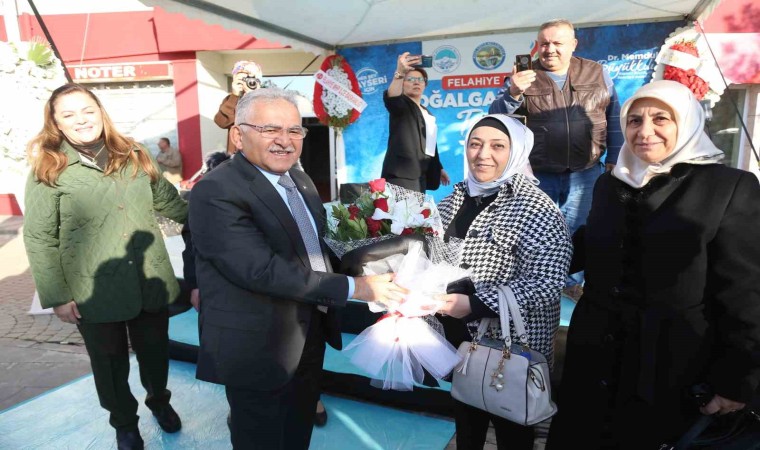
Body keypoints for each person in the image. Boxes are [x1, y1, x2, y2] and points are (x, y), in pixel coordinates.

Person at [546, 80, 760, 449]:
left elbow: (745, 293)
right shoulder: (609, 185)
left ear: (687, 122)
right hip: (594, 359)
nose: (645, 132)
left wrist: (734, 381)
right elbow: (587, 247)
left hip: (671, 367)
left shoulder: (728, 187)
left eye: (661, 119)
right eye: (635, 121)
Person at [190, 87, 407, 449]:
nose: (285, 140)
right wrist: (358, 288)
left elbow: (315, 249)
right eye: (270, 129)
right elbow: (260, 270)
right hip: (257, 347)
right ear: (238, 135)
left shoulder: (300, 181)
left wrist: (384, 253)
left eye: (294, 130)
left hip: (308, 335)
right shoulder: (216, 190)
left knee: (297, 434)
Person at [23, 83, 187, 450]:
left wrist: (220, 219)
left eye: (87, 110)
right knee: (109, 363)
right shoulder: (49, 169)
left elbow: (171, 204)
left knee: (155, 353)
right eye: (69, 115)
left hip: (149, 279)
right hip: (92, 288)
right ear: (56, 123)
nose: (81, 120)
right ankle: (124, 422)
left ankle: (159, 401)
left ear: (100, 112)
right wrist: (58, 296)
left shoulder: (135, 153)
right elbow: (39, 237)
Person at [437, 114, 572, 450]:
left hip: (510, 350)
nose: (483, 154)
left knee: (513, 434)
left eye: (497, 146)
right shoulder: (452, 199)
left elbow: (547, 281)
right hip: (460, 340)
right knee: (467, 427)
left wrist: (476, 304)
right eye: (475, 144)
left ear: (517, 151)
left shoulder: (537, 209)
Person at [488, 18, 623, 301]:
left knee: (579, 230)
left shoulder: (597, 72)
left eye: (557, 43)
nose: (550, 49)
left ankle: (571, 283)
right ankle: (538, 282)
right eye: (544, 43)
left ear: (573, 44)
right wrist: (513, 92)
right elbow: (496, 118)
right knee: (537, 231)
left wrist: (616, 154)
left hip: (586, 171)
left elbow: (613, 115)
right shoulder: (523, 76)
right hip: (539, 173)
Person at [381, 52, 450, 193]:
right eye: (410, 79)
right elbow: (392, 97)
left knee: (418, 208)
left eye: (420, 79)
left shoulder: (428, 113)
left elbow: (430, 144)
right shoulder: (401, 105)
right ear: (403, 84)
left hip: (421, 175)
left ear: (425, 84)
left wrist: (439, 167)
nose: (416, 82)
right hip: (401, 175)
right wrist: (400, 73)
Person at [214, 60, 263, 155]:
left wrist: (253, 96)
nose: (248, 81)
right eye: (243, 78)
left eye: (251, 77)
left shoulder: (266, 99)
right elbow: (221, 122)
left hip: (258, 153)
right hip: (236, 155)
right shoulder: (231, 99)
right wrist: (234, 95)